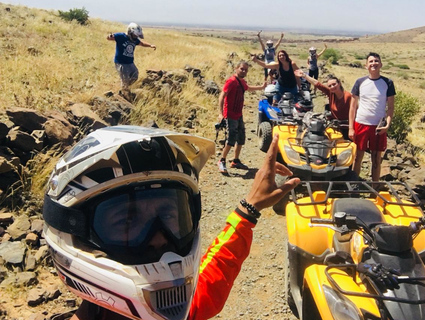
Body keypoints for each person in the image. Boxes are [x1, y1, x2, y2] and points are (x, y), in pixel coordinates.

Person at [42, 125, 301, 320]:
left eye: (167, 215)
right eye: (128, 220)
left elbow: (211, 279)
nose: (160, 238)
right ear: (74, 234)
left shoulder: (180, 310)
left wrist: (249, 209)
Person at [349, 52, 395, 181]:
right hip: (361, 123)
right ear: (366, 65)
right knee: (358, 157)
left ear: (381, 64)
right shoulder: (360, 82)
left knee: (376, 158)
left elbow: (391, 107)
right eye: (371, 61)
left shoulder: (388, 83)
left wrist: (387, 124)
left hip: (378, 126)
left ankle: (375, 187)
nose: (373, 63)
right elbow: (353, 107)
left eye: (376, 61)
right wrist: (351, 128)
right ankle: (354, 184)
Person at [218, 61, 266, 173]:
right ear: (236, 68)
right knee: (231, 139)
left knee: (241, 138)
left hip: (239, 115)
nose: (243, 71)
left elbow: (248, 88)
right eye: (241, 69)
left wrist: (261, 87)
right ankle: (222, 160)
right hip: (230, 115)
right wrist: (220, 113)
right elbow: (222, 96)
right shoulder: (231, 81)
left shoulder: (241, 82)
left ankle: (235, 160)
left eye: (245, 70)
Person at [294, 70, 352, 138]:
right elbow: (317, 84)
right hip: (334, 125)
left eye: (334, 84)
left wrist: (351, 127)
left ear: (339, 84)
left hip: (347, 127)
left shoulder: (348, 96)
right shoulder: (331, 93)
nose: (332, 87)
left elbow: (354, 112)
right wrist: (304, 76)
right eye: (330, 86)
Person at [107, 22, 156, 93]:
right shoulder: (121, 36)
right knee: (125, 79)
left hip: (130, 62)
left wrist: (150, 45)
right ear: (130, 32)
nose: (136, 37)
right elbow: (110, 38)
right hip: (121, 62)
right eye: (135, 35)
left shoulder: (135, 40)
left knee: (135, 75)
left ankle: (123, 87)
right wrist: (109, 36)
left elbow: (141, 43)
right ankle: (123, 92)